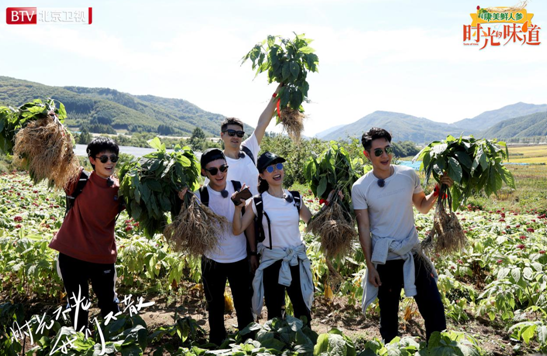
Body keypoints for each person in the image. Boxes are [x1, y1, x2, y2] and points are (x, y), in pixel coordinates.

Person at [352, 127, 452, 343]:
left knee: (434, 306)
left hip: (412, 252)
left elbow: (422, 206)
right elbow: (363, 228)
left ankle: (438, 347)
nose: (385, 155)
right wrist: (370, 267)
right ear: (367, 154)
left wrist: (438, 190)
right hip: (385, 259)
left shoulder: (408, 175)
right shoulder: (361, 187)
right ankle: (391, 349)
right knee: (388, 315)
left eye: (388, 149)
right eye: (377, 152)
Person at [232, 152, 318, 326]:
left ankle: (305, 345)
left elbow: (313, 224)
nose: (276, 171)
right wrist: (237, 208)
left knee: (302, 308)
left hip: (296, 260)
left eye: (279, 166)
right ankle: (277, 346)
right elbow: (238, 229)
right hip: (273, 262)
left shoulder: (295, 198)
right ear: (262, 175)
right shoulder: (257, 202)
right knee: (274, 311)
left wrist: (331, 205)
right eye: (270, 168)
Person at [49, 137, 123, 331]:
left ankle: (112, 345)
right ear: (92, 160)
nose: (109, 163)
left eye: (113, 158)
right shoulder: (78, 180)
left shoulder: (121, 190)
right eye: (104, 158)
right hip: (72, 255)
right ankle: (79, 345)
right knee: (78, 307)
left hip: (102, 257)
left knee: (109, 306)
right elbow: (56, 160)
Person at [187, 148, 256, 345]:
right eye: (213, 170)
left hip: (240, 258)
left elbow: (248, 224)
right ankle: (217, 343)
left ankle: (248, 343)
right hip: (212, 260)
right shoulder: (199, 196)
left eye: (223, 168)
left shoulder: (239, 188)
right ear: (204, 172)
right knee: (214, 306)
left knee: (244, 306)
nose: (220, 174)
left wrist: (252, 253)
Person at [207, 85, 281, 195]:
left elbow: (262, 123)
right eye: (231, 133)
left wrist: (278, 92)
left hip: (257, 210)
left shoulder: (248, 149)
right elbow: (209, 194)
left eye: (239, 133)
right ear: (222, 135)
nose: (235, 137)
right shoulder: (216, 163)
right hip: (232, 212)